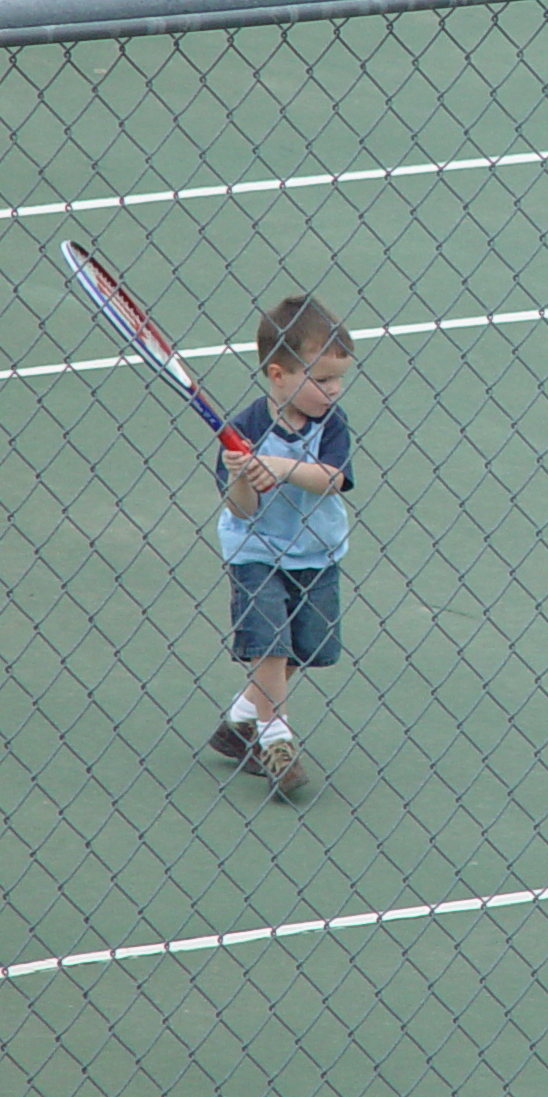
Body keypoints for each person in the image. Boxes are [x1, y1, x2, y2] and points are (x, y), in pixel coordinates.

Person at [203, 293, 355, 801]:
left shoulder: (331, 424)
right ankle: (275, 738)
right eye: (321, 380)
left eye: (337, 380)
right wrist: (243, 475)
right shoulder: (243, 431)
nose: (332, 391)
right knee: (271, 642)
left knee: (305, 650)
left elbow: (332, 478)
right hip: (256, 551)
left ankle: (243, 719)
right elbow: (241, 509)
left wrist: (283, 468)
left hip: (317, 552)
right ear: (278, 375)